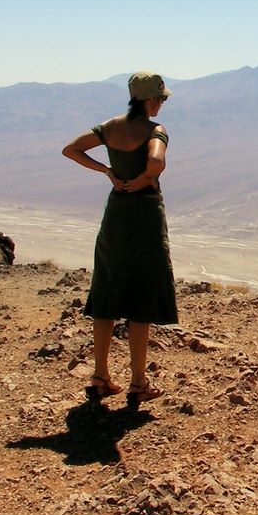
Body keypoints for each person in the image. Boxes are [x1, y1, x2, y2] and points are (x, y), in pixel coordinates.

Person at [62, 72, 178, 410]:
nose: (162, 104)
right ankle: (138, 382)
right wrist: (144, 178)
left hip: (116, 214)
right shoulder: (155, 130)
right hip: (144, 214)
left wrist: (109, 172)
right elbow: (156, 160)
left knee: (108, 291)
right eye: (160, 98)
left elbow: (71, 149)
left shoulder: (109, 127)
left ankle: (100, 377)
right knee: (141, 296)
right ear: (149, 99)